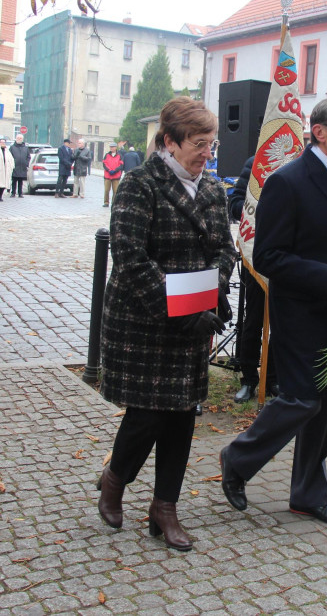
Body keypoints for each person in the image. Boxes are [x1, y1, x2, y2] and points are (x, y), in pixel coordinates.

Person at [220, 97, 327, 528]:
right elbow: (268, 256)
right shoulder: (287, 181)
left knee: (325, 405)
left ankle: (308, 495)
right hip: (298, 312)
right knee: (303, 399)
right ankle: (237, 457)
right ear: (319, 131)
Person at [97, 97, 237, 552]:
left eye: (211, 145)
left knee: (181, 416)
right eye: (198, 144)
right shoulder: (140, 185)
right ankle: (115, 480)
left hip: (195, 321)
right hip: (147, 320)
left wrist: (215, 291)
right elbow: (132, 259)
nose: (206, 154)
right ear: (170, 142)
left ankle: (165, 507)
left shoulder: (214, 190)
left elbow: (225, 250)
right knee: (147, 414)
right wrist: (184, 307)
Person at [228, 155, 278, 404]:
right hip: (255, 252)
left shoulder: (302, 162)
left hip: (287, 257)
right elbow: (234, 202)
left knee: (282, 323)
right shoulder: (256, 162)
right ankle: (249, 379)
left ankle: (274, 379)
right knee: (254, 320)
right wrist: (261, 209)